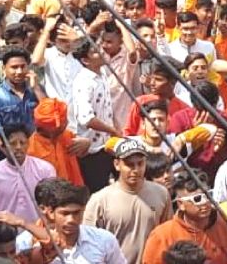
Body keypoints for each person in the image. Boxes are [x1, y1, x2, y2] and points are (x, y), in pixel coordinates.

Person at [83, 138, 172, 264]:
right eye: (129, 164)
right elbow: (89, 244)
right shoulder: (99, 200)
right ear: (117, 165)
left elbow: (167, 234)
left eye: (140, 163)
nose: (135, 169)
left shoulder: (162, 194)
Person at [142, 170, 227, 264]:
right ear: (181, 204)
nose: (205, 202)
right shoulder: (163, 236)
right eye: (197, 199)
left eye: (207, 195)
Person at [16, 178, 126, 263]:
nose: (71, 220)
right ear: (50, 213)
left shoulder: (104, 240)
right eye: (65, 213)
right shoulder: (25, 243)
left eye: (76, 213)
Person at [70, 38, 121, 192]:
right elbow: (87, 118)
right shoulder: (83, 82)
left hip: (106, 145)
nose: (101, 51)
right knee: (98, 191)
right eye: (94, 51)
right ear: (85, 60)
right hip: (91, 151)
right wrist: (111, 130)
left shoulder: (102, 73)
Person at [0, 123, 56, 222]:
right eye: (13, 143)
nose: (18, 147)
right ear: (3, 146)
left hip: (37, 233)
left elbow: (52, 205)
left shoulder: (45, 170)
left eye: (22, 143)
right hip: (5, 233)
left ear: (28, 144)